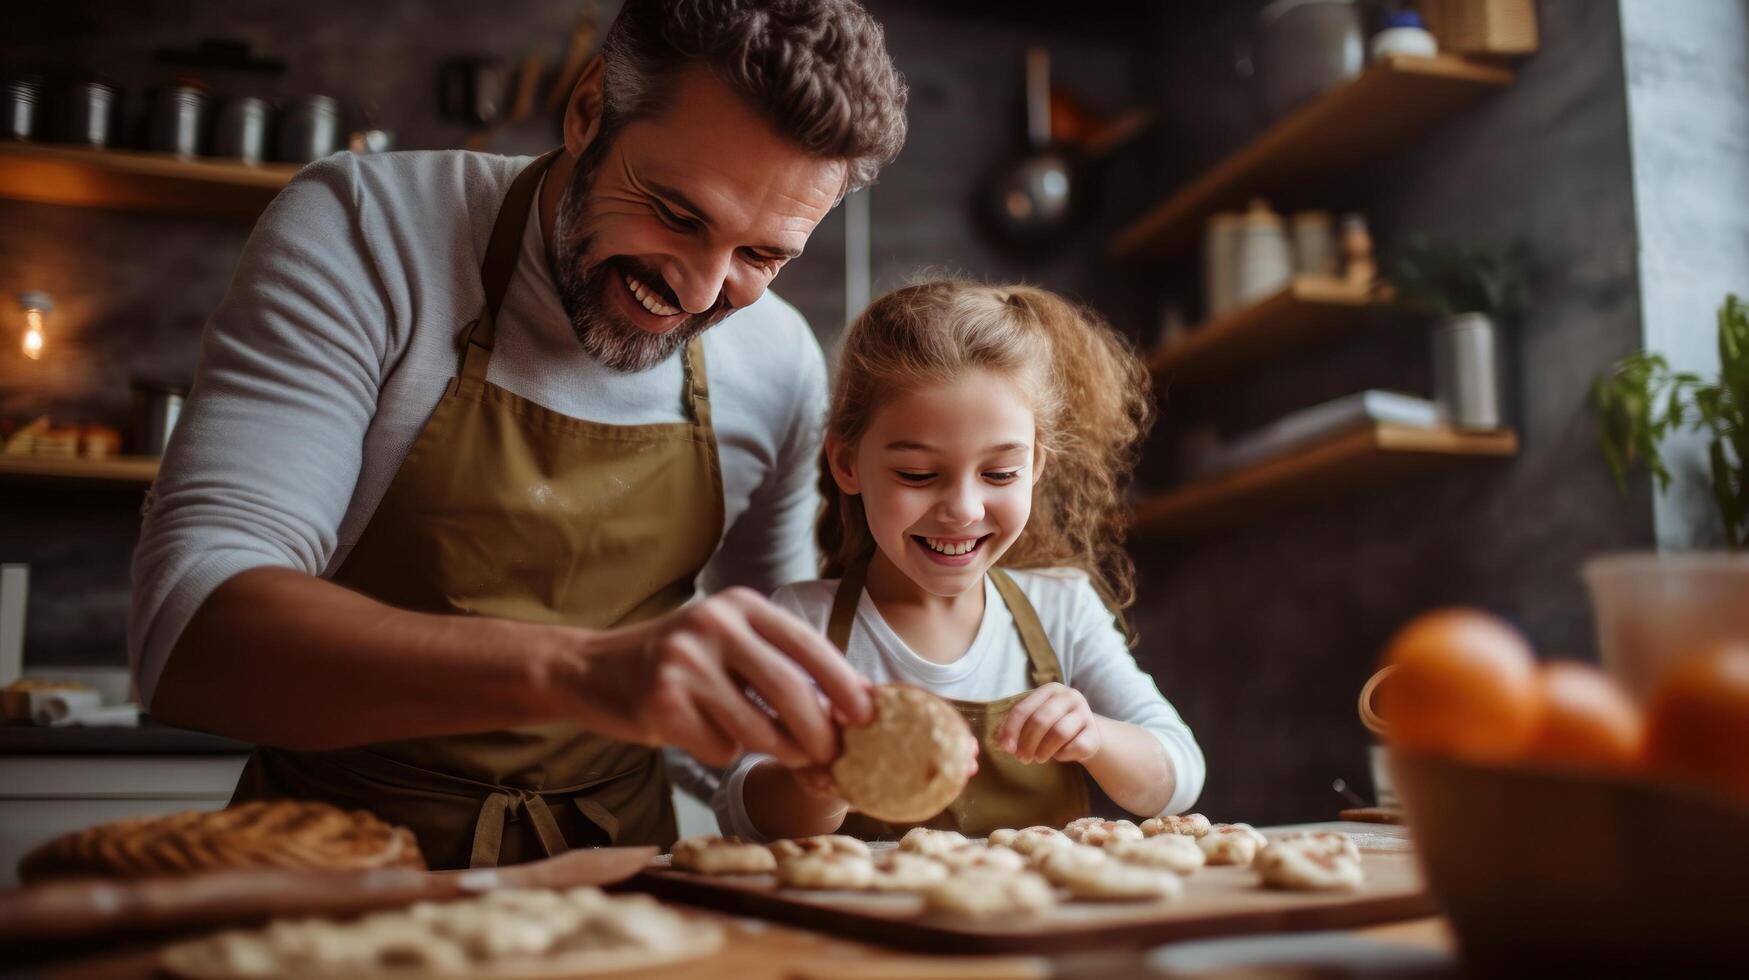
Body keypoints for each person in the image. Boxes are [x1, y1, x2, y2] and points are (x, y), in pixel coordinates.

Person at [127, 0, 909, 870]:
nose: (697, 294)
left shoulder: (778, 360)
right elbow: (194, 634)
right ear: (587, 111)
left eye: (762, 257)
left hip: (620, 897)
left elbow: (759, 704)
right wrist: (581, 674)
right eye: (677, 215)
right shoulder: (369, 228)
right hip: (328, 874)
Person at [714, 279, 1205, 841]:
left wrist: (1095, 736)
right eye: (918, 475)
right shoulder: (803, 622)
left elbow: (1179, 774)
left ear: (1037, 464)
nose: (964, 509)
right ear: (848, 463)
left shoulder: (1061, 608)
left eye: (999, 474)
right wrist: (826, 779)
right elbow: (741, 807)